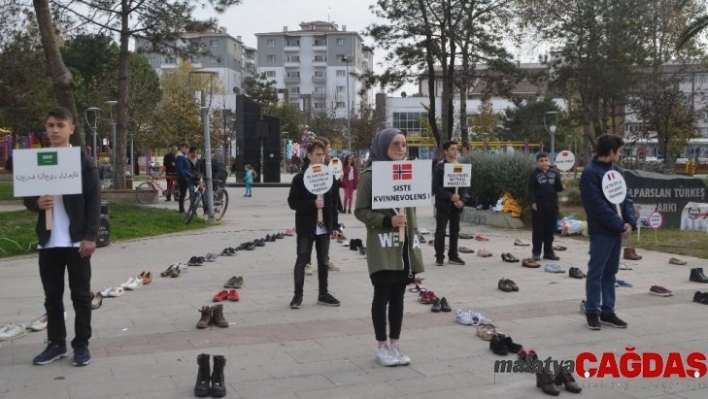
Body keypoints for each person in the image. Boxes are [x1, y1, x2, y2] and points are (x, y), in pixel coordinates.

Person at [22, 107, 100, 366]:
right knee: (52, 297)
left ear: (71, 129)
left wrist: (90, 236)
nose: (55, 130)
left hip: (77, 241)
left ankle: (82, 344)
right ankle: (56, 344)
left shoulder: (83, 162)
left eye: (60, 125)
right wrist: (37, 203)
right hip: (49, 242)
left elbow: (94, 202)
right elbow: (28, 197)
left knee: (80, 296)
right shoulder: (38, 160)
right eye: (51, 125)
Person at [354, 128, 424, 367]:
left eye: (404, 145)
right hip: (383, 246)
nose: (401, 149)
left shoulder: (411, 172)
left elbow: (413, 209)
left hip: (404, 247)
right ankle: (382, 346)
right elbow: (360, 211)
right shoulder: (370, 175)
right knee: (382, 295)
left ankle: (395, 344)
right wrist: (387, 221)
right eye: (395, 144)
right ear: (383, 146)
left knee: (399, 297)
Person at [579, 134, 636, 330]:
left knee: (610, 272)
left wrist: (629, 222)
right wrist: (619, 225)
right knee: (596, 272)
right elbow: (596, 206)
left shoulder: (616, 171)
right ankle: (592, 311)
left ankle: (608, 311)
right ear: (611, 152)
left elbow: (625, 198)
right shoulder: (590, 174)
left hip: (617, 229)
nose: (620, 154)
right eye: (618, 151)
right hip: (601, 231)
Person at [287, 139, 341, 309]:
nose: (322, 158)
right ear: (309, 155)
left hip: (324, 227)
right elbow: (292, 202)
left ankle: (323, 294)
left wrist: (334, 226)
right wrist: (312, 204)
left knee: (323, 261)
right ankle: (297, 296)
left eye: (324, 154)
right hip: (306, 226)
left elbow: (333, 204)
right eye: (318, 154)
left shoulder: (329, 177)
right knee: (302, 259)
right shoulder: (300, 178)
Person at [432, 140, 467, 266]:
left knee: (455, 231)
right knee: (440, 231)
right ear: (446, 151)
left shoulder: (460, 166)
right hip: (443, 205)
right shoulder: (439, 167)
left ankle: (453, 255)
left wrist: (462, 201)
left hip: (456, 206)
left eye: (456, 149)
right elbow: (436, 188)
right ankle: (439, 257)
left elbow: (464, 187)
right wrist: (450, 196)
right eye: (452, 149)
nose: (455, 151)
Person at [528, 153, 566, 261]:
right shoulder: (533, 174)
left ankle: (548, 252)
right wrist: (533, 202)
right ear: (537, 162)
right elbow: (531, 190)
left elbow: (558, 188)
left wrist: (563, 184)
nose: (544, 162)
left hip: (552, 206)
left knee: (550, 230)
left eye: (546, 160)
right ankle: (536, 252)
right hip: (539, 206)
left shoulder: (555, 173)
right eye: (541, 161)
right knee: (538, 230)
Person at [175, 142, 190, 213]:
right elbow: (179, 169)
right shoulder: (180, 156)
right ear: (182, 148)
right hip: (183, 178)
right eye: (186, 148)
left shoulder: (183, 156)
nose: (187, 150)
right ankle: (181, 210)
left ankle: (182, 209)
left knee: (183, 194)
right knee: (182, 194)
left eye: (187, 148)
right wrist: (184, 177)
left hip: (183, 177)